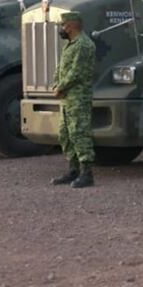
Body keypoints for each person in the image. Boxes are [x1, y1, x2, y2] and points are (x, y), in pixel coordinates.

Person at [50, 11, 96, 188]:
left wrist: (61, 87)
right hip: (67, 98)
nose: (62, 28)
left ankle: (87, 173)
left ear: (72, 25)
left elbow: (77, 72)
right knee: (66, 134)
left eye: (64, 25)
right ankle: (73, 169)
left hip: (78, 97)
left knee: (79, 133)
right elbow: (61, 68)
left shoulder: (84, 45)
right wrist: (57, 85)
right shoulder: (70, 45)